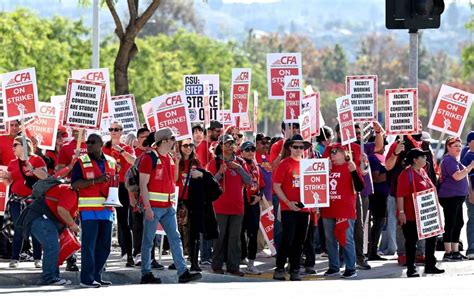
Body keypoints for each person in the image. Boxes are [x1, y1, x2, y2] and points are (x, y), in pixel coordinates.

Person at [139, 127, 202, 284]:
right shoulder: (149, 158)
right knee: (148, 241)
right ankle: (146, 274)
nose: (175, 142)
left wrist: (176, 160)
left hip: (168, 207)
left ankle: (183, 272)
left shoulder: (168, 157)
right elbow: (142, 185)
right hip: (153, 207)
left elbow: (174, 180)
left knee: (175, 238)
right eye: (173, 139)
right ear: (164, 141)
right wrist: (147, 207)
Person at [71, 133, 117, 288]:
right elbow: (75, 184)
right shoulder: (81, 162)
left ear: (101, 143)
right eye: (87, 142)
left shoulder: (111, 161)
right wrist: (95, 181)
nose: (88, 145)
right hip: (89, 209)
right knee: (89, 245)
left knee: (105, 246)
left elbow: (114, 182)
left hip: (107, 209)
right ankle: (86, 279)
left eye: (92, 142)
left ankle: (96, 275)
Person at [207, 134, 251, 276]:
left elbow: (249, 181)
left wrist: (239, 168)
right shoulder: (215, 163)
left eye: (232, 143)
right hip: (219, 207)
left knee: (235, 238)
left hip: (237, 207)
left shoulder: (240, 162)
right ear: (220, 145)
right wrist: (220, 173)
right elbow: (210, 183)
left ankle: (234, 266)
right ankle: (217, 265)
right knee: (220, 238)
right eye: (227, 143)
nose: (231, 146)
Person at [0, 136, 48, 269]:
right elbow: (9, 183)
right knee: (18, 227)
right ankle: (15, 258)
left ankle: (38, 258)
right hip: (16, 200)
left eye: (15, 145)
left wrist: (32, 169)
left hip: (33, 199)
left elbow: (45, 177)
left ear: (24, 146)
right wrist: (5, 177)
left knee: (35, 227)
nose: (13, 148)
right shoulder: (12, 163)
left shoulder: (36, 159)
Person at [397, 148, 445, 277]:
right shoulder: (406, 174)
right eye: (422, 157)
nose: (425, 159)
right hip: (411, 215)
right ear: (415, 159)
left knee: (432, 238)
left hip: (425, 215)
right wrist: (401, 212)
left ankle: (430, 265)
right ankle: (411, 268)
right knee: (411, 242)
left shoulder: (423, 171)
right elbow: (400, 195)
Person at [320, 144, 364, 279]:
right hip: (328, 208)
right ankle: (333, 267)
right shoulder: (326, 167)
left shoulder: (350, 166)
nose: (332, 154)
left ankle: (351, 268)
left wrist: (353, 172)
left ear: (344, 152)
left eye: (335, 151)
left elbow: (360, 187)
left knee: (346, 239)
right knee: (330, 240)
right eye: (330, 152)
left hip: (344, 209)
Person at [272, 134, 311, 281]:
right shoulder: (284, 163)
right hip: (288, 208)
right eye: (295, 146)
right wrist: (288, 202)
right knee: (287, 239)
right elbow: (276, 186)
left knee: (300, 241)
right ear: (290, 147)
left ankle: (295, 269)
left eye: (301, 147)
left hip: (304, 209)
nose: (298, 149)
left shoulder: (308, 164)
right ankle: (280, 268)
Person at [28, 182, 79, 285]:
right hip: (41, 218)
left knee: (53, 247)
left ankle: (54, 276)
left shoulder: (71, 192)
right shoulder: (71, 192)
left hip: (43, 218)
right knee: (52, 246)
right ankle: (49, 278)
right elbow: (62, 210)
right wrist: (72, 224)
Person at [102, 120, 136, 267]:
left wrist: (121, 150)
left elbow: (134, 161)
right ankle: (102, 257)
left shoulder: (127, 147)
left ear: (122, 131)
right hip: (106, 185)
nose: (114, 131)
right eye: (111, 129)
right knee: (104, 221)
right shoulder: (104, 147)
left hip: (122, 186)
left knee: (124, 222)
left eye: (117, 129)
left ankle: (129, 255)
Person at [438, 136, 474, 261]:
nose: (459, 148)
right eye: (455, 146)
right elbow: (457, 176)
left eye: (459, 146)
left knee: (458, 223)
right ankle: (448, 252)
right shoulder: (448, 160)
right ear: (448, 147)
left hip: (457, 197)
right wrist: (470, 167)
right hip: (449, 197)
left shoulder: (455, 160)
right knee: (450, 223)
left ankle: (455, 251)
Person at [175, 138, 203, 271]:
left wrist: (200, 175)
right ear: (180, 146)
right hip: (180, 200)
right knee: (180, 232)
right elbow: (174, 179)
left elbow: (204, 178)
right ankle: (178, 260)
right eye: (185, 145)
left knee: (194, 232)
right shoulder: (177, 162)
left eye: (191, 145)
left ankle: (194, 261)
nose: (188, 148)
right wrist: (175, 161)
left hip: (194, 200)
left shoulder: (196, 161)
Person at [239, 141, 264, 274]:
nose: (250, 152)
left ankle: (251, 263)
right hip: (241, 204)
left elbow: (262, 185)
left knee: (253, 234)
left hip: (254, 205)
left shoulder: (257, 166)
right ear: (241, 152)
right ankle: (240, 258)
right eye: (247, 149)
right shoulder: (238, 165)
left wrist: (259, 196)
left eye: (252, 149)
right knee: (238, 233)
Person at [367, 141, 390, 260]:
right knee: (377, 223)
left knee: (380, 224)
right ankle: (372, 251)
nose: (384, 148)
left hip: (383, 196)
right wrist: (390, 173)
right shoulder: (373, 158)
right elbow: (375, 178)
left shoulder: (381, 158)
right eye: (383, 145)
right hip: (377, 196)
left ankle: (373, 250)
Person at [461, 131, 474, 259]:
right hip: (472, 192)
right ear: (471, 142)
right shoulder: (467, 156)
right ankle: (471, 249)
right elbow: (467, 177)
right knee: (473, 220)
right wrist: (470, 192)